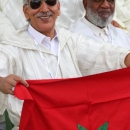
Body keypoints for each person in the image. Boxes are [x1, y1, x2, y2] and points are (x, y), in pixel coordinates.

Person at [0, 0, 130, 129]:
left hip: (73, 124)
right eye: (36, 3)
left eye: (50, 2)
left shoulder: (70, 40)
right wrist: (1, 82)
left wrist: (126, 58)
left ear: (58, 8)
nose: (44, 9)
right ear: (26, 11)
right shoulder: (12, 45)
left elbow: (102, 53)